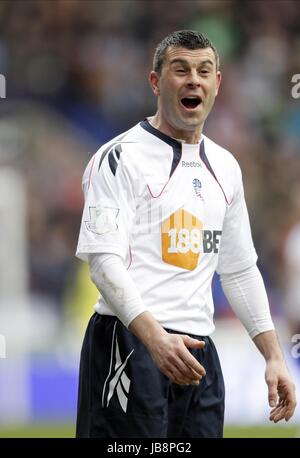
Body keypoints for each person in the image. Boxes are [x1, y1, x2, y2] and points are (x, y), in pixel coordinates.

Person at [75, 30, 296, 438]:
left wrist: (274, 356)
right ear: (156, 82)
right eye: (180, 70)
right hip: (129, 346)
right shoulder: (119, 157)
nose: (194, 79)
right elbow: (104, 264)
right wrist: (156, 342)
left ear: (217, 84)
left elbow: (239, 270)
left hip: (198, 356)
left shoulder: (226, 167)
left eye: (204, 71)